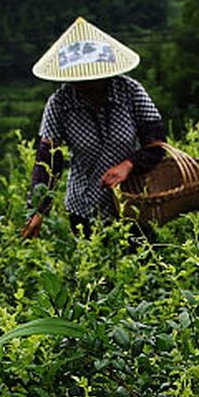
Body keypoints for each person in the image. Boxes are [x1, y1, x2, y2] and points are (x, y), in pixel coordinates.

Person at [20, 17, 167, 239]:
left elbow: (157, 145)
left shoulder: (130, 92)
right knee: (94, 268)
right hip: (83, 206)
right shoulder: (60, 103)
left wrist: (129, 165)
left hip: (132, 203)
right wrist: (38, 210)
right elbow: (48, 161)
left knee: (144, 265)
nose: (83, 83)